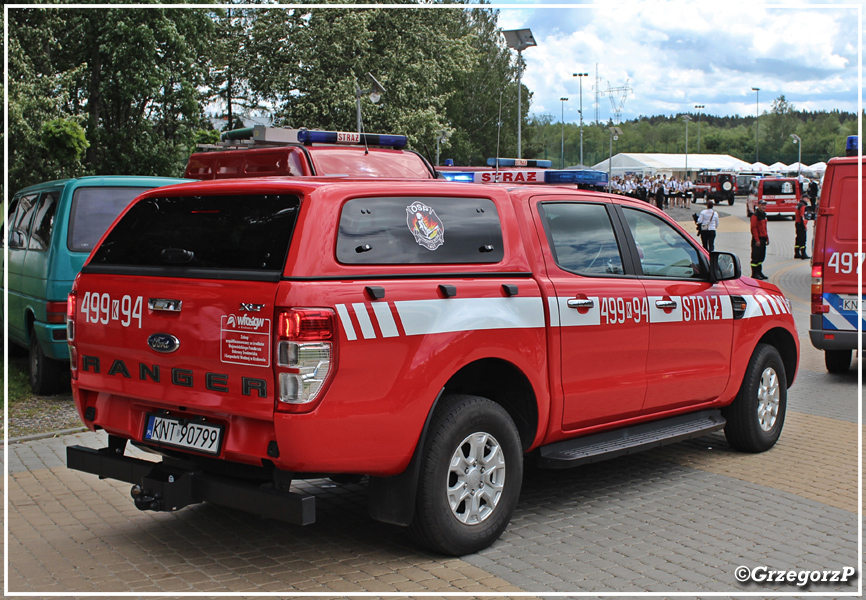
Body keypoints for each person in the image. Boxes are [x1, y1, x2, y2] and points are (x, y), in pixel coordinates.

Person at [750, 200, 770, 280]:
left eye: (764, 205)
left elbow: (765, 228)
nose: (764, 206)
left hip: (763, 239)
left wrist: (767, 238)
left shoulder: (763, 215)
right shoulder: (755, 215)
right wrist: (757, 240)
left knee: (761, 257)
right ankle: (754, 273)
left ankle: (759, 272)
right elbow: (753, 228)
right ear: (758, 205)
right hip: (757, 240)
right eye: (762, 205)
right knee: (756, 257)